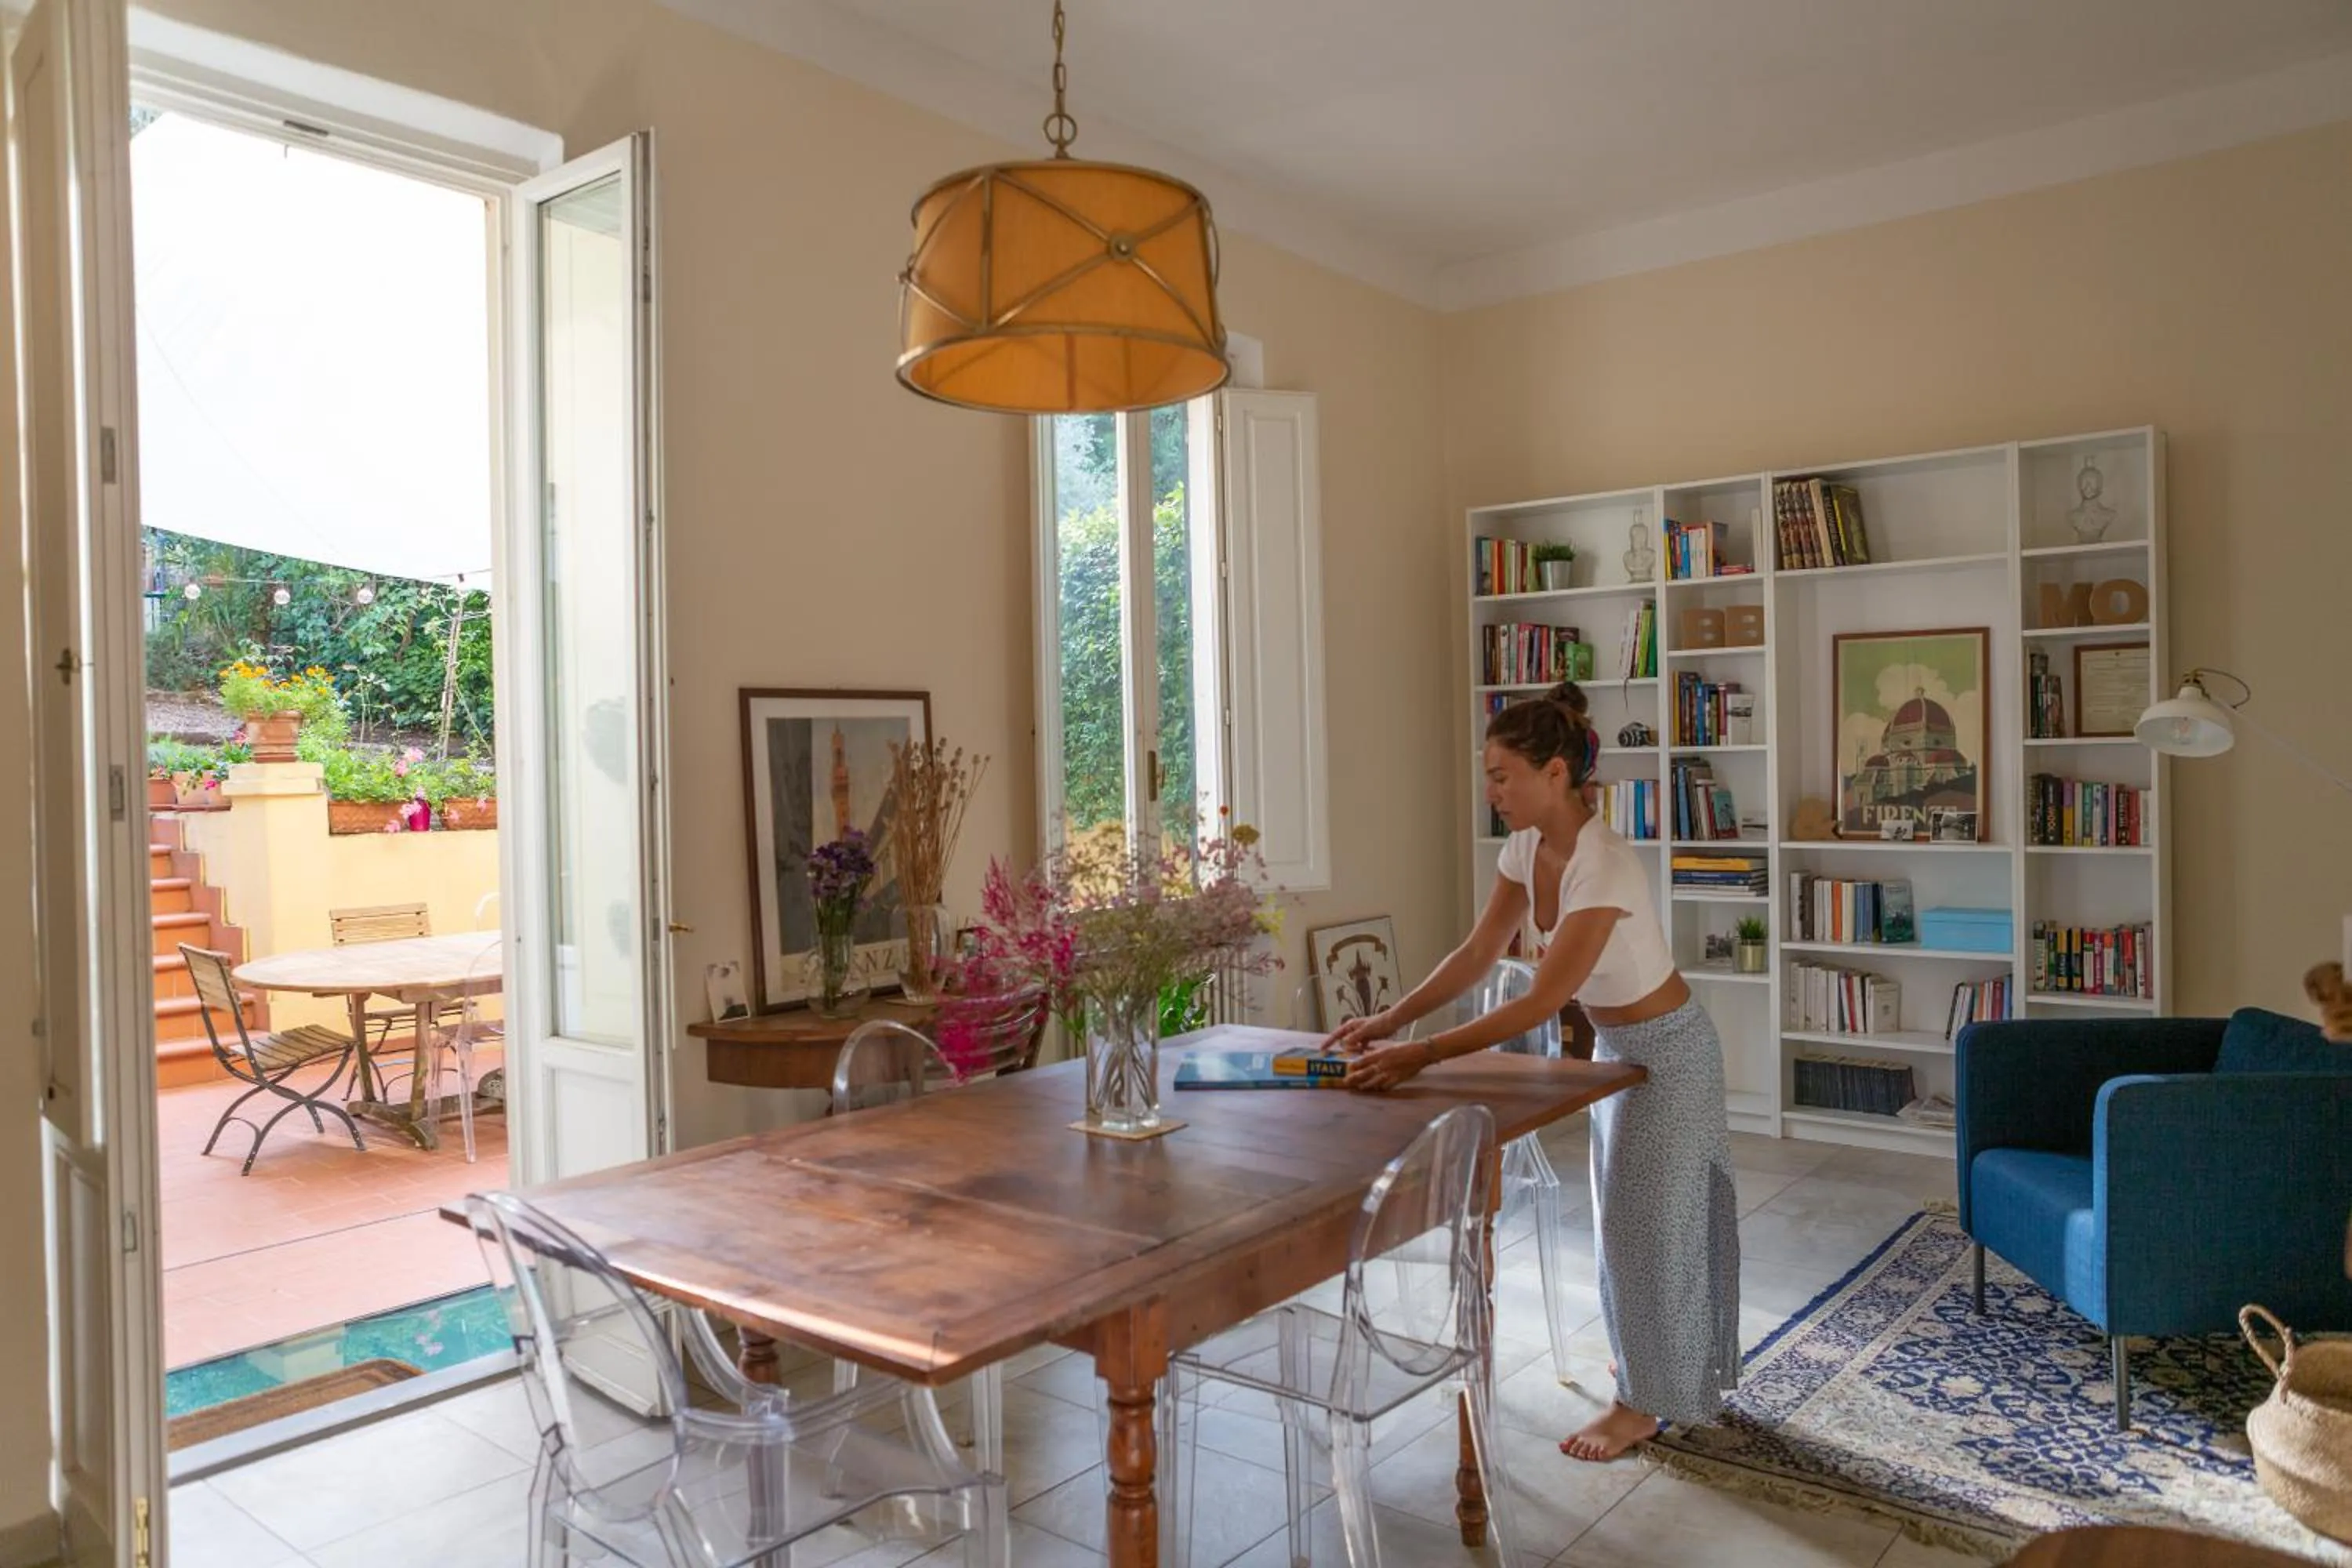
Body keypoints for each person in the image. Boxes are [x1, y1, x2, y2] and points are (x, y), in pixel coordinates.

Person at [1328, 681, 1740, 1461]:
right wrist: (1390, 1017)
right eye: (1488, 774)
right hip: (1620, 1051)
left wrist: (1420, 1051)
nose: (1492, 790)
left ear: (1556, 773)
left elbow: (1545, 997)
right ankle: (1651, 1373)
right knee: (1625, 1226)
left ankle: (1644, 1404)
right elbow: (1478, 953)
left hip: (1674, 1052)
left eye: (1503, 774)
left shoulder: (1606, 863)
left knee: (1649, 1227)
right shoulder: (1524, 849)